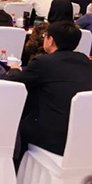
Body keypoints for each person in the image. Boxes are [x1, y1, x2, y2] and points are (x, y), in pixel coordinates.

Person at [7, 21, 92, 157]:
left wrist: (14, 70)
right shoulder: (87, 63)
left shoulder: (43, 62)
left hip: (52, 139)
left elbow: (16, 83)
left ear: (50, 40)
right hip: (84, 136)